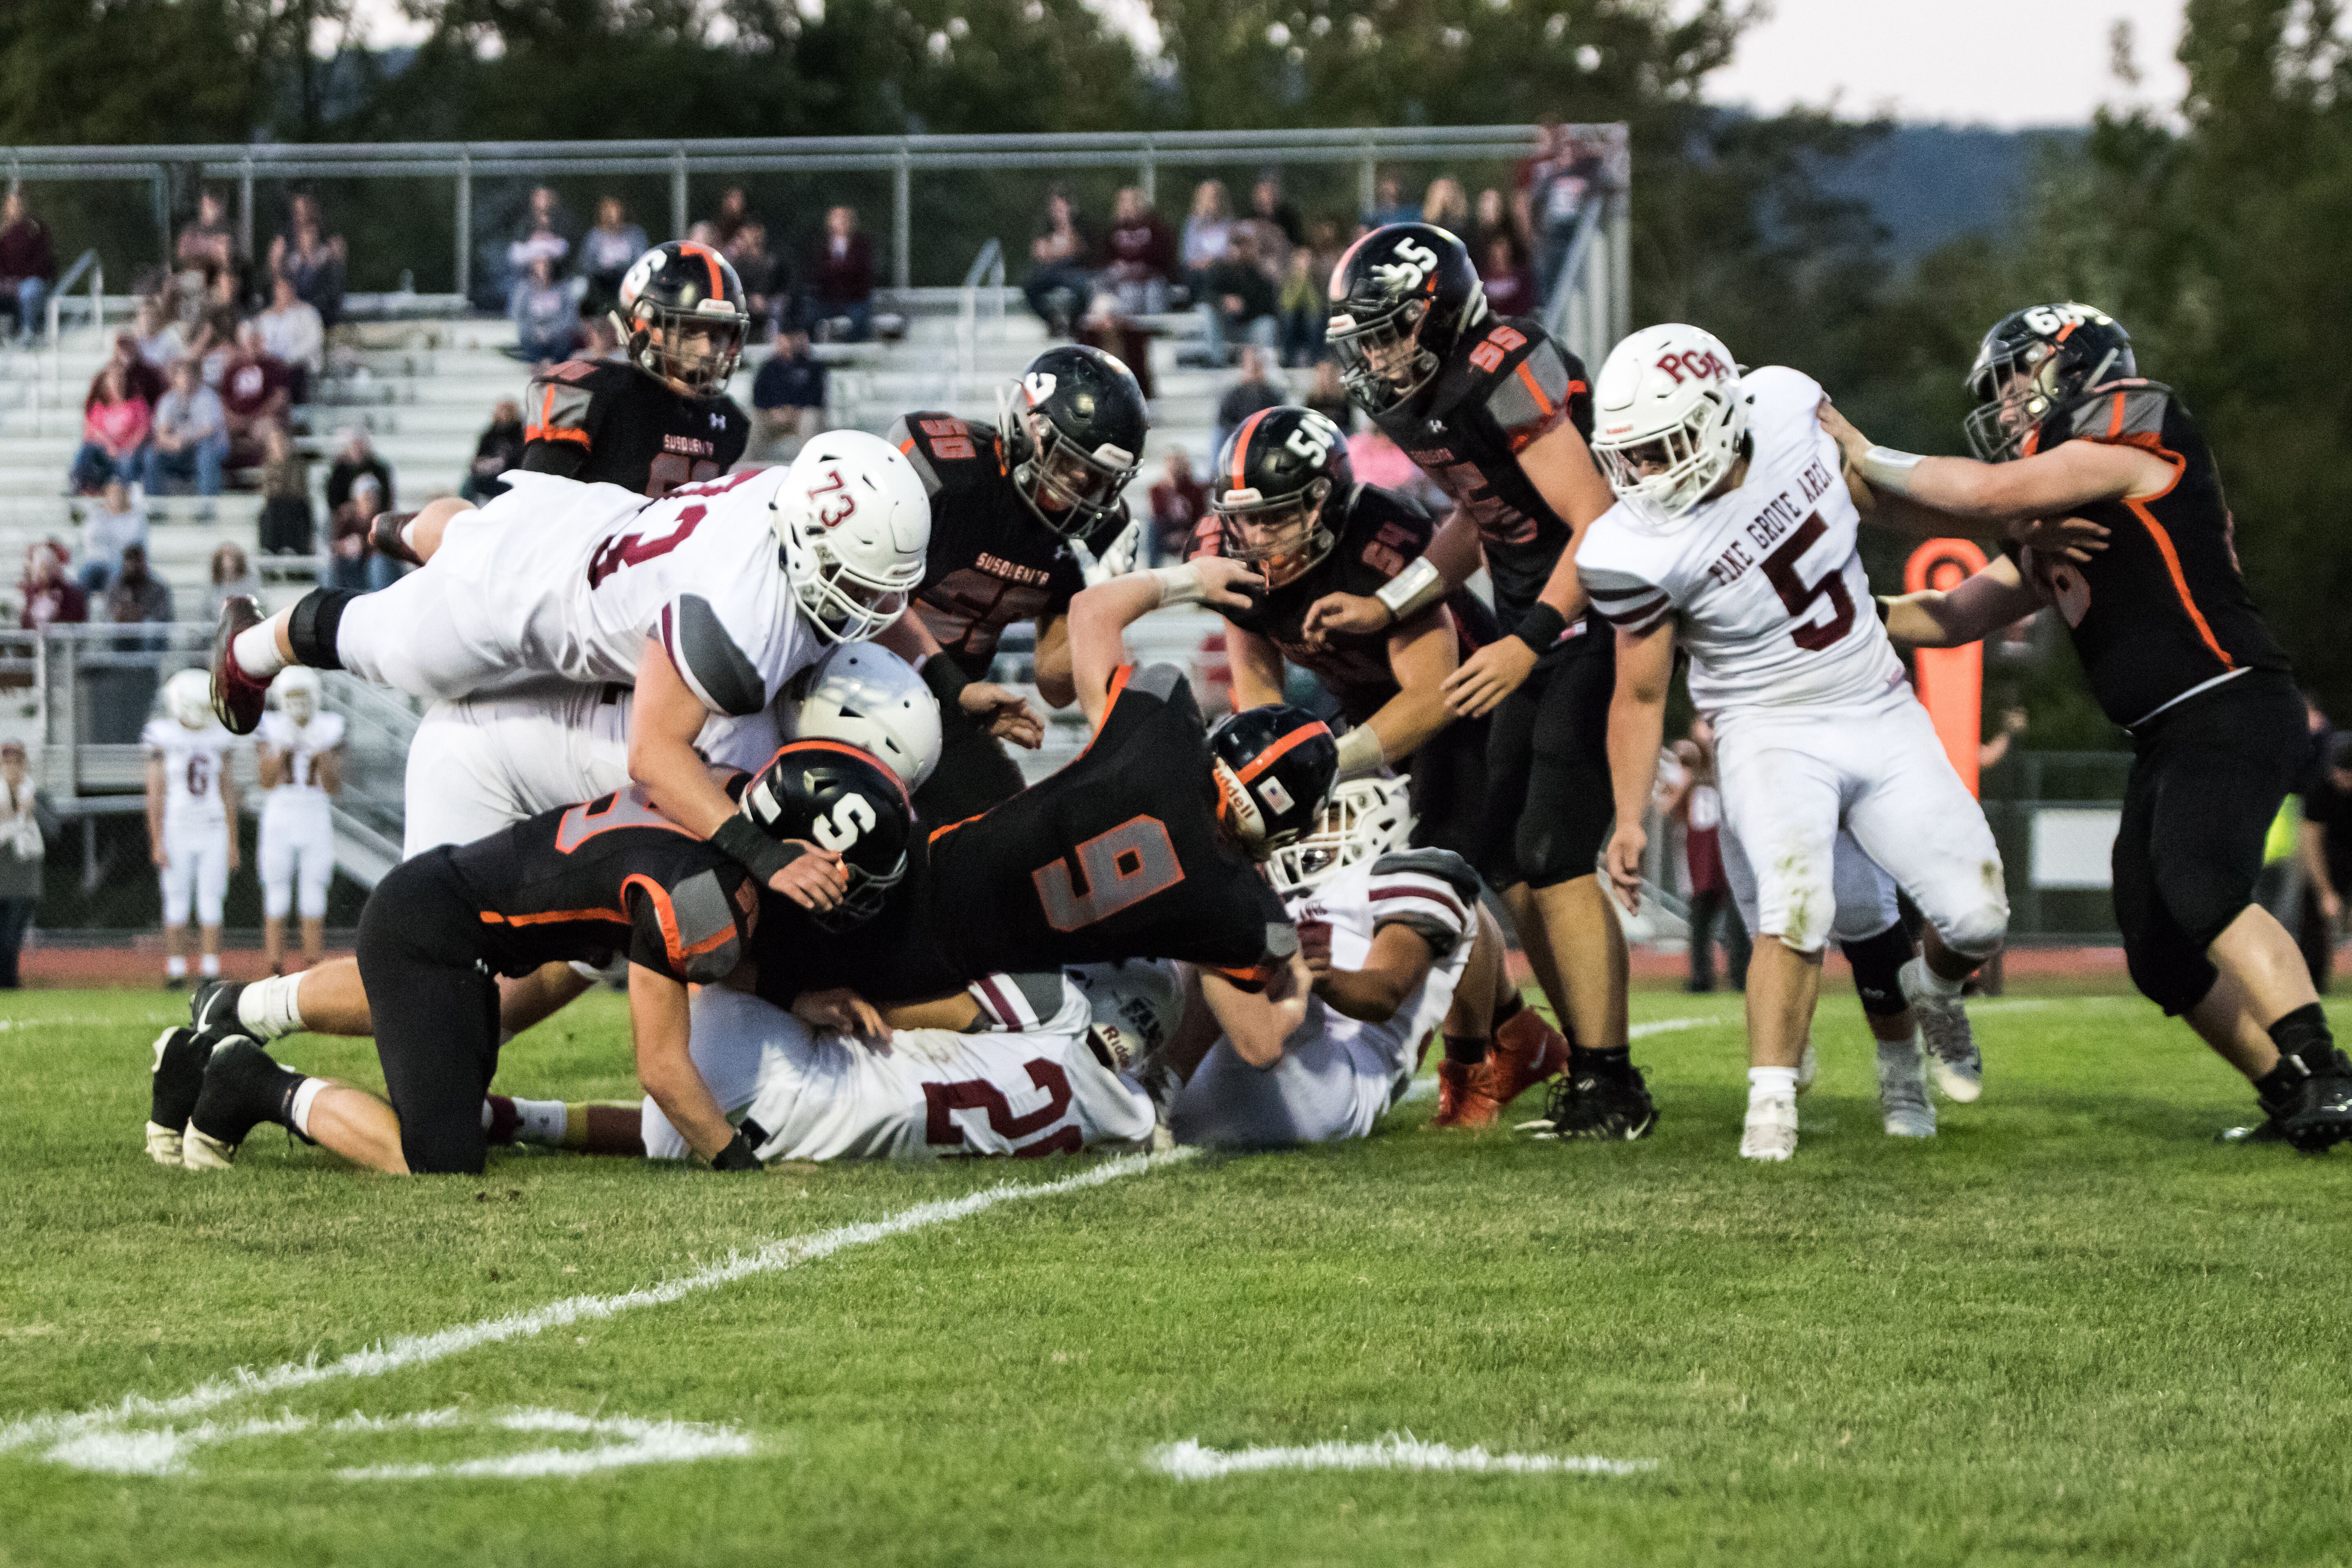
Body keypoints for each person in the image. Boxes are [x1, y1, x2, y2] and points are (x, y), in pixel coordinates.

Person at [1850, 301, 2352, 1149]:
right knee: (2157, 951)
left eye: (2017, 380)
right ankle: (2287, 1091)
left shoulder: (2135, 424)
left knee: (2201, 887)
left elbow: (1976, 494)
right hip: (2168, 731)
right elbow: (1946, 616)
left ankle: (2328, 1074)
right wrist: (1832, 610)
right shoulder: (2057, 509)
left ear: (2075, 363)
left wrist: (1851, 444)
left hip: (2227, 697)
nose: (2007, 405)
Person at [1580, 325, 2009, 1160]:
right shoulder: (1630, 547)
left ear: (1717, 417)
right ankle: (1769, 1108)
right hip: (1765, 726)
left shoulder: (1781, 403)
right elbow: (1638, 690)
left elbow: (1867, 479)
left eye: (1661, 448)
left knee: (1978, 915)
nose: (1642, 475)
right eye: (1628, 456)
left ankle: (1934, 988)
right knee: (1796, 906)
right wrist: (1629, 816)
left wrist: (1983, 518)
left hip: (1876, 701)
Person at [209, 437, 931, 913]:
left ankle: (422, 531)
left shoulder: (794, 493)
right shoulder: (740, 614)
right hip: (526, 593)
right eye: (856, 586)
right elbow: (653, 757)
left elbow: (867, 586)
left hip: (582, 524)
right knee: (392, 649)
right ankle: (251, 646)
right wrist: (765, 856)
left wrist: (946, 677)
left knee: (472, 536)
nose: (872, 608)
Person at [155, 743, 878, 1176]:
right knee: (436, 1157)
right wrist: (739, 1164)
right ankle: (253, 1083)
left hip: (450, 922)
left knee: (439, 1073)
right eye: (829, 858)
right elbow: (661, 1065)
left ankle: (226, 1024)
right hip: (433, 938)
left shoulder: (712, 794)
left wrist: (791, 995)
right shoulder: (694, 890)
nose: (836, 877)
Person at [1316, 222, 1644, 1141]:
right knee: (1499, 857)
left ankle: (1612, 1081)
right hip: (1539, 621)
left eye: (1387, 331)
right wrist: (1394, 604)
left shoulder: (1505, 365)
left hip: (1597, 615)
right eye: (1363, 337)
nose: (1375, 355)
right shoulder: (1420, 395)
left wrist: (1526, 640)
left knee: (1549, 850)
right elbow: (1481, 508)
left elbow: (1597, 521)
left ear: (1441, 314)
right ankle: (1582, 1065)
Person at [1167, 778, 1530, 1145]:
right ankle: (1153, 1088)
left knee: (1224, 929)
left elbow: (1385, 992)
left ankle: (1474, 1082)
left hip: (1335, 1075)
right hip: (1225, 1080)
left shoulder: (1405, 875)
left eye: (1333, 815)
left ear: (1382, 817)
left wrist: (1324, 979)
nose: (1312, 830)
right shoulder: (1275, 887)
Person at [885, 344, 1149, 824]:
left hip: (953, 713)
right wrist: (953, 689)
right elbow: (869, 597)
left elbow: (1055, 683)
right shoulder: (953, 474)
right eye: (1074, 464)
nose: (1082, 490)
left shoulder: (1092, 531)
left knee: (1011, 841)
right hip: (859, 676)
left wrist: (1101, 599)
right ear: (1031, 429)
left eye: (1101, 480)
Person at [513, 241, 750, 498]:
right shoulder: (593, 396)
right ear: (646, 327)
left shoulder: (729, 421)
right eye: (692, 331)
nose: (707, 350)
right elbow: (532, 512)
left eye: (718, 336)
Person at [145, 670, 242, 990]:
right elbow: (155, 792)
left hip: (213, 825)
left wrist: (233, 840)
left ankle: (209, 967)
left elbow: (228, 790)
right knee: (176, 898)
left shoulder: (219, 737)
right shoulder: (164, 735)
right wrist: (158, 838)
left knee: (211, 899)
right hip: (178, 826)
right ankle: (175, 968)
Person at [254, 667, 341, 976]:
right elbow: (265, 781)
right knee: (276, 890)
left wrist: (322, 753)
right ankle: (274, 968)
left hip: (315, 812)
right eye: (292, 697)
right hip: (280, 813)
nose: (299, 704)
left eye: (304, 696)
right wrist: (281, 749)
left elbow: (334, 786)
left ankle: (312, 968)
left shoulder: (329, 727)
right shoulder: (271, 725)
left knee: (314, 890)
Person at [2299, 732, 2352, 991]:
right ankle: (2313, 985)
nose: (2341, 778)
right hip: (2328, 856)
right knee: (2313, 920)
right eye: (2338, 772)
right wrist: (2325, 892)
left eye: (2348, 774)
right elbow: (2311, 842)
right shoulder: (2318, 786)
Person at [1194, 228, 1280, 368]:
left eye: (1243, 245)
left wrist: (1245, 305)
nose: (1238, 250)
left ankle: (1266, 368)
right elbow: (1204, 296)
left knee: (1267, 324)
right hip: (1223, 328)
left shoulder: (1260, 275)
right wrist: (1223, 302)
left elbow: (1269, 308)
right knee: (1205, 311)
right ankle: (1216, 362)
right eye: (1235, 244)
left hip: (1248, 329)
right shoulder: (1218, 269)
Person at [145, 359, 229, 503]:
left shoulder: (208, 398)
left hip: (202, 449)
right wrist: (172, 443)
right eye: (181, 375)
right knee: (151, 455)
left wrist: (184, 442)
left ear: (197, 377)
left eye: (189, 375)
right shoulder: (168, 401)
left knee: (207, 450)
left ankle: (207, 507)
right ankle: (155, 509)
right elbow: (161, 432)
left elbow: (208, 431)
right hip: (177, 450)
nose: (186, 379)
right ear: (175, 378)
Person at [0, 740, 47, 989]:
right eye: (7, 762)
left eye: (17, 762)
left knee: (12, 938)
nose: (12, 768)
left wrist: (29, 812)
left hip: (22, 878)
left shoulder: (34, 794)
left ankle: (9, 983)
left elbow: (51, 832)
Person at [217, 323, 292, 467]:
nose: (250, 347)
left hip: (263, 420)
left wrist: (252, 419)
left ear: (259, 341)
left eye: (253, 341)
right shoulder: (232, 370)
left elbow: (280, 399)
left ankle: (276, 477)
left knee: (271, 433)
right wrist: (235, 419)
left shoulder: (274, 366)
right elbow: (223, 401)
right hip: (236, 421)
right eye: (246, 343)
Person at [71, 363, 152, 495]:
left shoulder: (137, 405)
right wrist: (110, 447)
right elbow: (93, 433)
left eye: (120, 378)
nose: (117, 382)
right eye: (113, 379)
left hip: (130, 452)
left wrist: (128, 447)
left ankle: (124, 498)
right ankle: (82, 491)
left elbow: (143, 430)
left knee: (128, 460)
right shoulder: (99, 407)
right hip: (106, 453)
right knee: (85, 451)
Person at [1024, 189, 1095, 337]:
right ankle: (1052, 321)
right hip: (1051, 272)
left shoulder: (1081, 228)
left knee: (1083, 288)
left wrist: (1054, 250)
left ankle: (1074, 323)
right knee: (1030, 286)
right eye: (1055, 209)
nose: (1058, 213)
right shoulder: (1045, 229)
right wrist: (1061, 251)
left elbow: (1077, 251)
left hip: (1073, 271)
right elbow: (1040, 253)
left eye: (1061, 209)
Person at [750, 328, 827, 463]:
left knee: (811, 418)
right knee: (753, 421)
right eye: (785, 339)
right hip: (774, 416)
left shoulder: (814, 367)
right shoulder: (769, 367)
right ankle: (749, 466)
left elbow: (818, 397)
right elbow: (759, 395)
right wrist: (774, 410)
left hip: (801, 416)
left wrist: (796, 409)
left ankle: (811, 464)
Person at [1103, 186, 1178, 316]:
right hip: (1124, 279)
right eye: (1124, 201)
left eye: (1133, 201)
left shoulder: (1155, 227)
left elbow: (1165, 255)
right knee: (1129, 292)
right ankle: (1133, 334)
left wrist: (1145, 267)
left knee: (1154, 294)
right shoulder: (1113, 229)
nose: (1129, 206)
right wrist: (1119, 265)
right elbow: (1104, 257)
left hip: (1152, 276)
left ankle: (1156, 333)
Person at [807, 206, 876, 344]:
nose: (841, 222)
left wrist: (836, 268)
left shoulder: (861, 244)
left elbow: (861, 271)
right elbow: (818, 271)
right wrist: (841, 268)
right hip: (828, 298)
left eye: (845, 219)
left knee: (858, 323)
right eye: (837, 218)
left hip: (854, 298)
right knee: (811, 319)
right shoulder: (822, 245)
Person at [254, 273, 323, 402]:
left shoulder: (308, 314)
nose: (281, 293)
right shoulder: (265, 318)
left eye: (285, 288)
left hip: (298, 369)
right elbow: (260, 342)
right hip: (271, 369)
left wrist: (286, 359)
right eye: (278, 289)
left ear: (292, 290)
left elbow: (313, 343)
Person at [0, 188, 56, 342]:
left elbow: (43, 261)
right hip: (10, 281)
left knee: (29, 291)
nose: (17, 207)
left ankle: (28, 332)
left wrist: (20, 280)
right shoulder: (4, 232)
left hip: (32, 280)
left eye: (20, 203)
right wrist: (6, 280)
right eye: (13, 204)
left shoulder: (37, 229)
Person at [76, 479, 147, 597]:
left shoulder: (135, 517)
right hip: (96, 562)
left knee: (115, 575)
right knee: (86, 573)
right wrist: (99, 513)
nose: (116, 498)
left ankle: (112, 612)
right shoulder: (97, 514)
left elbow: (131, 544)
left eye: (119, 494)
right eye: (112, 494)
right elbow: (88, 537)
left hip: (119, 564)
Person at [509, 255, 584, 366]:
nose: (543, 268)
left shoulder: (563, 290)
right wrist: (536, 332)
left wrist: (550, 333)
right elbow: (518, 317)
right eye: (539, 264)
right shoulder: (523, 291)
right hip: (532, 342)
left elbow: (571, 317)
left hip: (559, 343)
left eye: (546, 264)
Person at [577, 196, 646, 316]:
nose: (615, 219)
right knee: (580, 287)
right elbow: (586, 264)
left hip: (627, 277)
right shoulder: (595, 237)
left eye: (618, 214)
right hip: (601, 280)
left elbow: (642, 260)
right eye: (611, 214)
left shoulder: (635, 234)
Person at [328, 474, 397, 592]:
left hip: (376, 572)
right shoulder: (346, 519)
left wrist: (365, 545)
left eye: (375, 495)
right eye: (367, 496)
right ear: (357, 499)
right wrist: (345, 547)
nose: (372, 499)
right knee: (332, 565)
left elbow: (391, 548)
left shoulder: (385, 519)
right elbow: (333, 546)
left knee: (378, 564)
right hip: (352, 570)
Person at [1213, 345, 1283, 460]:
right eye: (1251, 363)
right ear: (1244, 365)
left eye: (1257, 363)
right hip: (1238, 452)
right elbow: (1221, 432)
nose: (1254, 367)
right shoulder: (1232, 396)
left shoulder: (1274, 395)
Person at [274, 216, 345, 330]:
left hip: (322, 322)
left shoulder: (330, 267)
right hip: (296, 320)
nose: (309, 240)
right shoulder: (293, 266)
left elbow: (331, 298)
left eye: (312, 235)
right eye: (305, 235)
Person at [257, 423, 314, 556]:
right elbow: (269, 492)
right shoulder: (268, 466)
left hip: (296, 504)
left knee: (289, 507)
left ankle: (291, 547)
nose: (279, 445)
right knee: (270, 509)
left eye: (280, 441)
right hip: (277, 505)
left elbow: (298, 490)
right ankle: (270, 548)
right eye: (274, 442)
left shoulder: (298, 464)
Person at [1148, 448, 1208, 565]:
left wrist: (1186, 535)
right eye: (1171, 462)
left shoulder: (1196, 490)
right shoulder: (1157, 489)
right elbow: (1158, 517)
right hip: (1167, 533)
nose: (1174, 466)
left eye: (1178, 461)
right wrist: (1171, 489)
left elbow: (1200, 518)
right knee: (1152, 527)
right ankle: (1152, 569)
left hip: (1189, 532)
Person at [464, 398, 526, 502]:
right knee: (469, 482)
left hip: (512, 477)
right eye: (502, 410)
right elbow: (478, 460)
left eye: (509, 410)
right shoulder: (489, 434)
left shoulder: (522, 433)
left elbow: (521, 459)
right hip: (492, 476)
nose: (506, 414)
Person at [324, 426, 393, 519]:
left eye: (361, 444)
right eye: (355, 444)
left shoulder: (378, 470)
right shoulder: (340, 471)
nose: (358, 448)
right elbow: (334, 500)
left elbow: (387, 499)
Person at [18, 542, 87, 630]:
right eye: (41, 568)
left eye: (46, 568)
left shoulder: (72, 594)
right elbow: (25, 626)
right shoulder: (31, 592)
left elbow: (74, 625)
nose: (44, 573)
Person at [105, 543, 173, 631]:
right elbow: (109, 617)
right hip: (120, 636)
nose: (134, 565)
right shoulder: (114, 588)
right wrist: (122, 616)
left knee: (150, 629)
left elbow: (163, 621)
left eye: (138, 560)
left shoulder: (159, 589)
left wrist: (140, 617)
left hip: (149, 637)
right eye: (130, 559)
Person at [1180, 181, 1234, 290]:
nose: (1211, 202)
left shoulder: (1230, 224)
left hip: (1222, 270)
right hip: (1196, 269)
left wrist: (1213, 261)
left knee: (1211, 274)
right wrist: (1202, 263)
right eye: (1208, 197)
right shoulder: (1192, 224)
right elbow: (1188, 255)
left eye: (1214, 197)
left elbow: (1232, 254)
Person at [202, 542, 261, 629]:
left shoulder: (250, 585)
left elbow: (257, 611)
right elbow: (206, 618)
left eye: (231, 558)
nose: (228, 563)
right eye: (224, 558)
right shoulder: (211, 589)